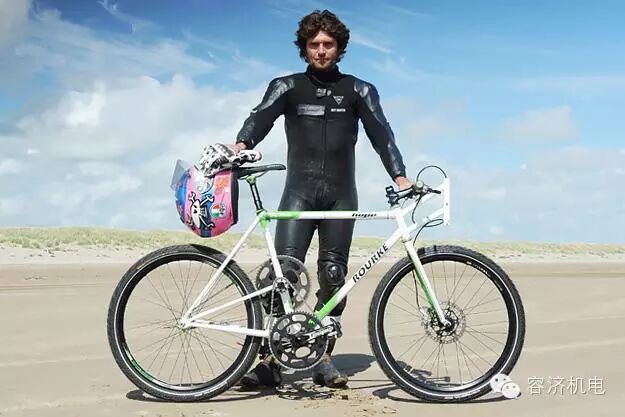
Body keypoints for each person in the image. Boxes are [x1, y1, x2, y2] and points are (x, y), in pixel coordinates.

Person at [230, 9, 414, 389]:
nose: (321, 50)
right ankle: (270, 360)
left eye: (328, 44)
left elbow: (382, 136)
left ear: (339, 47)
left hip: (340, 197)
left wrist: (400, 175)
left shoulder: (360, 91)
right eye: (314, 44)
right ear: (304, 47)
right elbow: (260, 119)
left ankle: (323, 356)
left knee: (334, 277)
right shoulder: (287, 87)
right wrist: (241, 143)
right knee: (283, 277)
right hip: (298, 194)